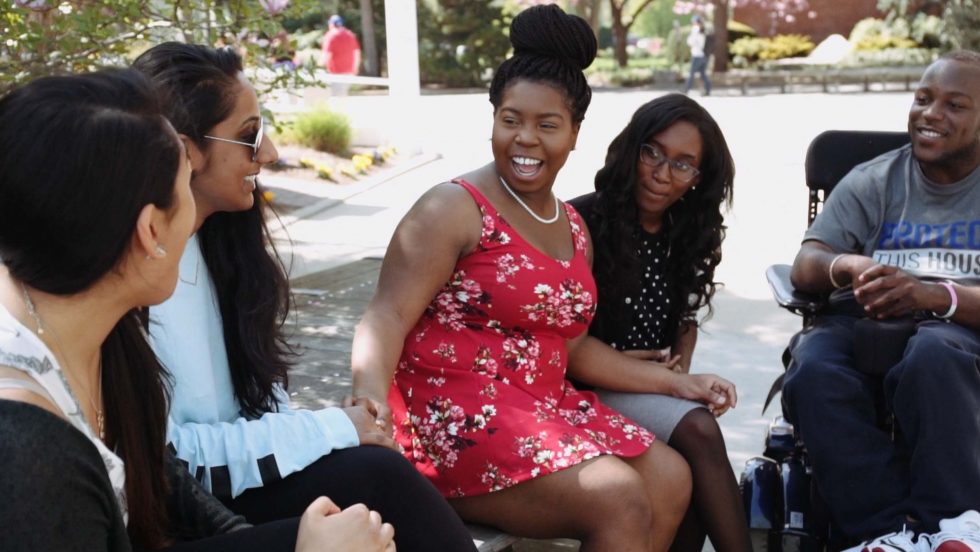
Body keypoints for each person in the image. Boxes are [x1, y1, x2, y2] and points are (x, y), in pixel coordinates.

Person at [0, 69, 394, 552]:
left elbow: (162, 473)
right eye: (186, 186)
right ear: (150, 230)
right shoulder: (27, 449)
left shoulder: (100, 335)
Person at [351, 5, 693, 551]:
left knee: (671, 477)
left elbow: (574, 346)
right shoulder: (454, 208)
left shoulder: (573, 225)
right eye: (510, 120)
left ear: (575, 133)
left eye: (546, 124)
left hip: (539, 408)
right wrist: (366, 404)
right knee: (618, 494)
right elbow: (386, 313)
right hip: (450, 418)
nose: (525, 139)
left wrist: (675, 382)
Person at [132, 42, 475, 552]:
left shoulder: (223, 246)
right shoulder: (135, 270)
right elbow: (169, 464)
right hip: (170, 511)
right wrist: (332, 429)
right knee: (374, 479)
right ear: (186, 152)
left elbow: (257, 405)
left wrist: (336, 430)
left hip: (228, 488)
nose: (269, 155)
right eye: (250, 138)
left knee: (373, 480)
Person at [782, 50, 980, 551]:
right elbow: (808, 262)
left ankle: (952, 527)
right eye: (922, 99)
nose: (931, 113)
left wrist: (934, 296)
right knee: (814, 373)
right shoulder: (875, 179)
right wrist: (846, 266)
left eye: (954, 105)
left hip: (961, 330)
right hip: (862, 319)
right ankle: (885, 533)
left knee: (935, 354)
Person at [568, 93, 749, 552]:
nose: (662, 174)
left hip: (649, 388)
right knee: (698, 430)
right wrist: (668, 387)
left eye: (683, 164)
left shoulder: (686, 230)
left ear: (698, 179)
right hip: (584, 385)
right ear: (633, 148)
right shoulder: (579, 222)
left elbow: (684, 317)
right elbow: (566, 343)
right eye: (653, 152)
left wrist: (677, 374)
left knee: (690, 465)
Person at [321, 14, 361, 96]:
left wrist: (317, 68)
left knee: (337, 100)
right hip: (350, 73)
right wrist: (355, 69)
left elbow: (326, 56)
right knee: (343, 97)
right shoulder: (350, 35)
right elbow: (357, 53)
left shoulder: (330, 35)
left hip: (336, 74)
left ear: (331, 24)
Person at [683, 15, 711, 97]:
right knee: (703, 74)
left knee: (691, 73)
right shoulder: (702, 30)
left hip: (697, 55)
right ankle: (708, 89)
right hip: (702, 56)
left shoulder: (696, 29)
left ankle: (686, 90)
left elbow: (690, 42)